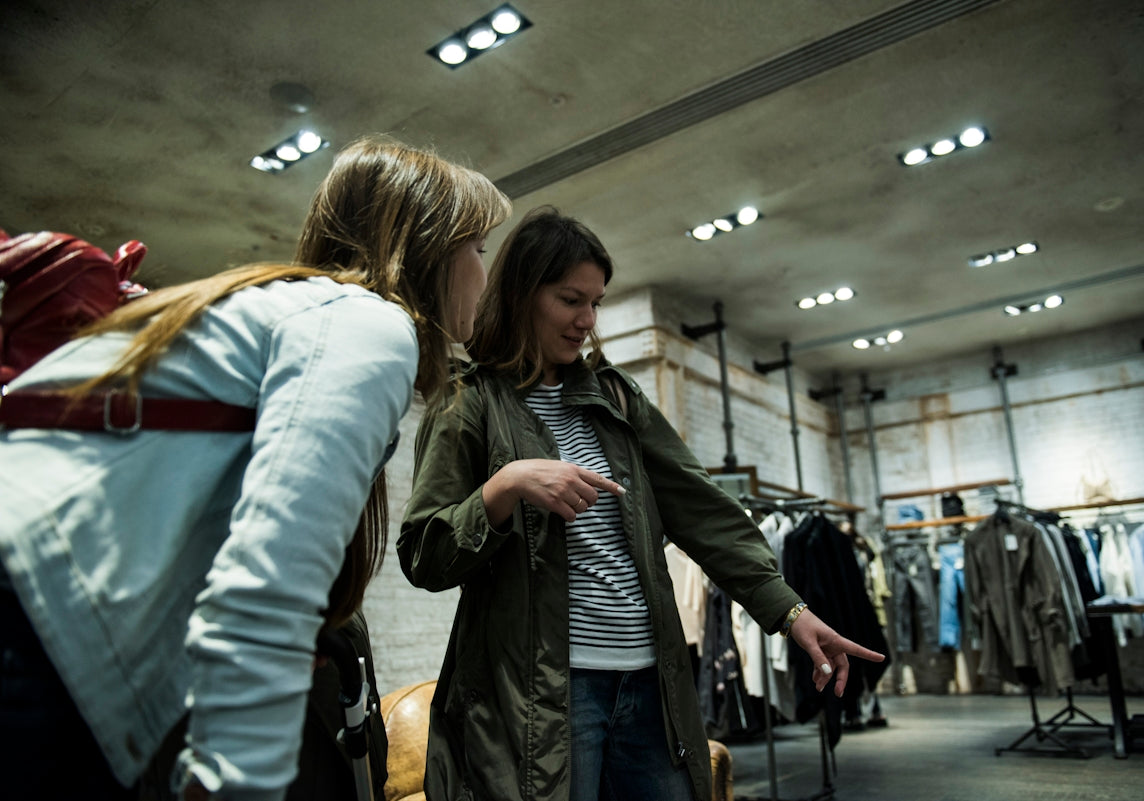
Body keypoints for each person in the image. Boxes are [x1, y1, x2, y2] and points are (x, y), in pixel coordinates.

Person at [0, 134, 511, 800]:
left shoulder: (293, 305)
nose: (484, 273)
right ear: (431, 248)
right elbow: (271, 582)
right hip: (32, 622)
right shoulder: (371, 326)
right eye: (478, 249)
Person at [397, 206, 885, 801]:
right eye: (570, 299)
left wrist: (790, 612)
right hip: (549, 695)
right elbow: (425, 554)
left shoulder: (618, 400)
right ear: (523, 293)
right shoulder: (467, 403)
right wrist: (504, 487)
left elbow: (704, 512)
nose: (587, 320)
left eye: (597, 302)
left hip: (652, 686)